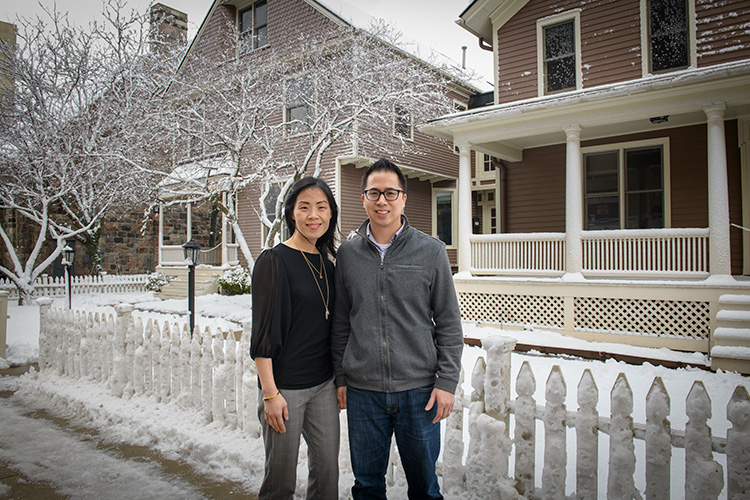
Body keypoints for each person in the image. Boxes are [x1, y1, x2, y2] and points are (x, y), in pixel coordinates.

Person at [331, 158, 464, 499]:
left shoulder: (431, 251)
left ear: (404, 198)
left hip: (418, 392)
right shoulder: (347, 255)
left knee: (424, 488)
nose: (382, 201)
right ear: (363, 198)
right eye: (374, 193)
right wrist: (342, 378)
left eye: (391, 192)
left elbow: (449, 324)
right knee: (368, 486)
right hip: (363, 394)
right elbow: (341, 323)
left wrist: (446, 383)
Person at [251, 176, 340, 500]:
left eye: (321, 207)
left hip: (323, 386)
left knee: (328, 474)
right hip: (285, 388)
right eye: (304, 207)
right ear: (291, 214)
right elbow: (262, 333)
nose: (313, 215)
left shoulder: (329, 264)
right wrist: (270, 393)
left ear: (331, 214)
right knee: (280, 482)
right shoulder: (273, 261)